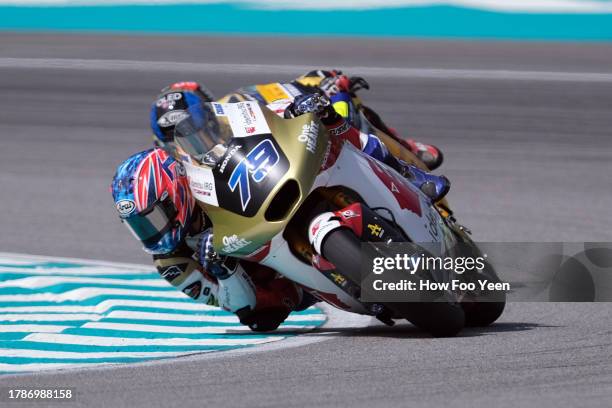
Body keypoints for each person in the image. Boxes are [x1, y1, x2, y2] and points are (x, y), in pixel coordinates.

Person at [111, 148, 308, 332]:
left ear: (173, 196)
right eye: (139, 225)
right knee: (260, 320)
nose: (151, 232)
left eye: (154, 218)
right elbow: (238, 305)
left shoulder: (208, 173)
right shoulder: (171, 264)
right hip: (280, 280)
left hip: (281, 216)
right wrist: (224, 270)